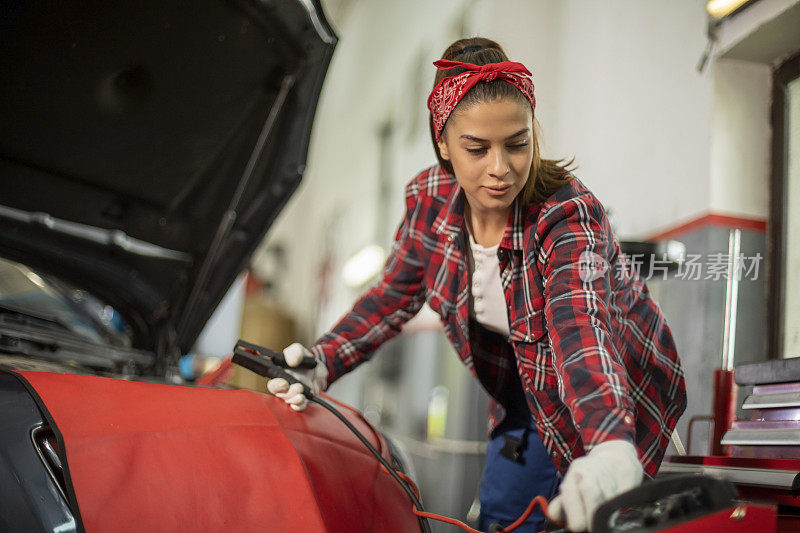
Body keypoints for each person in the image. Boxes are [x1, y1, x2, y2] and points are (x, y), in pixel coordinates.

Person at [266, 37, 687, 533]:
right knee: (503, 520)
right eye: (477, 148)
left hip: (616, 398)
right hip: (526, 400)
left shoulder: (567, 215)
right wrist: (324, 361)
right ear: (442, 142)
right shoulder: (429, 200)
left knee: (597, 518)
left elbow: (580, 329)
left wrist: (612, 444)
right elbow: (393, 295)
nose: (500, 168)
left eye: (517, 143)